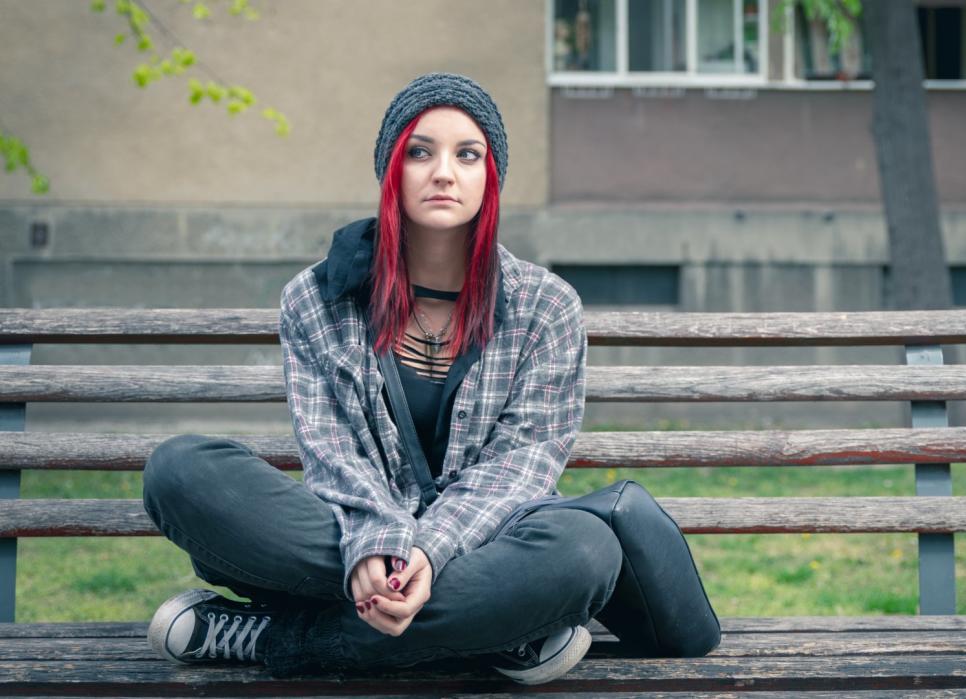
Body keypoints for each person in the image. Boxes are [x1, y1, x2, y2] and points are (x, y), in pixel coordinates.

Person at [141, 72, 623, 685]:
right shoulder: (315, 300)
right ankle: (496, 631)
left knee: (583, 551)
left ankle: (272, 637)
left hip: (484, 540)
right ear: (390, 170)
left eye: (467, 154)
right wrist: (374, 543)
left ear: (490, 177)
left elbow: (524, 464)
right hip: (347, 529)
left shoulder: (546, 306)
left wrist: (426, 550)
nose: (443, 172)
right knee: (182, 472)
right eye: (419, 152)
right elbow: (331, 451)